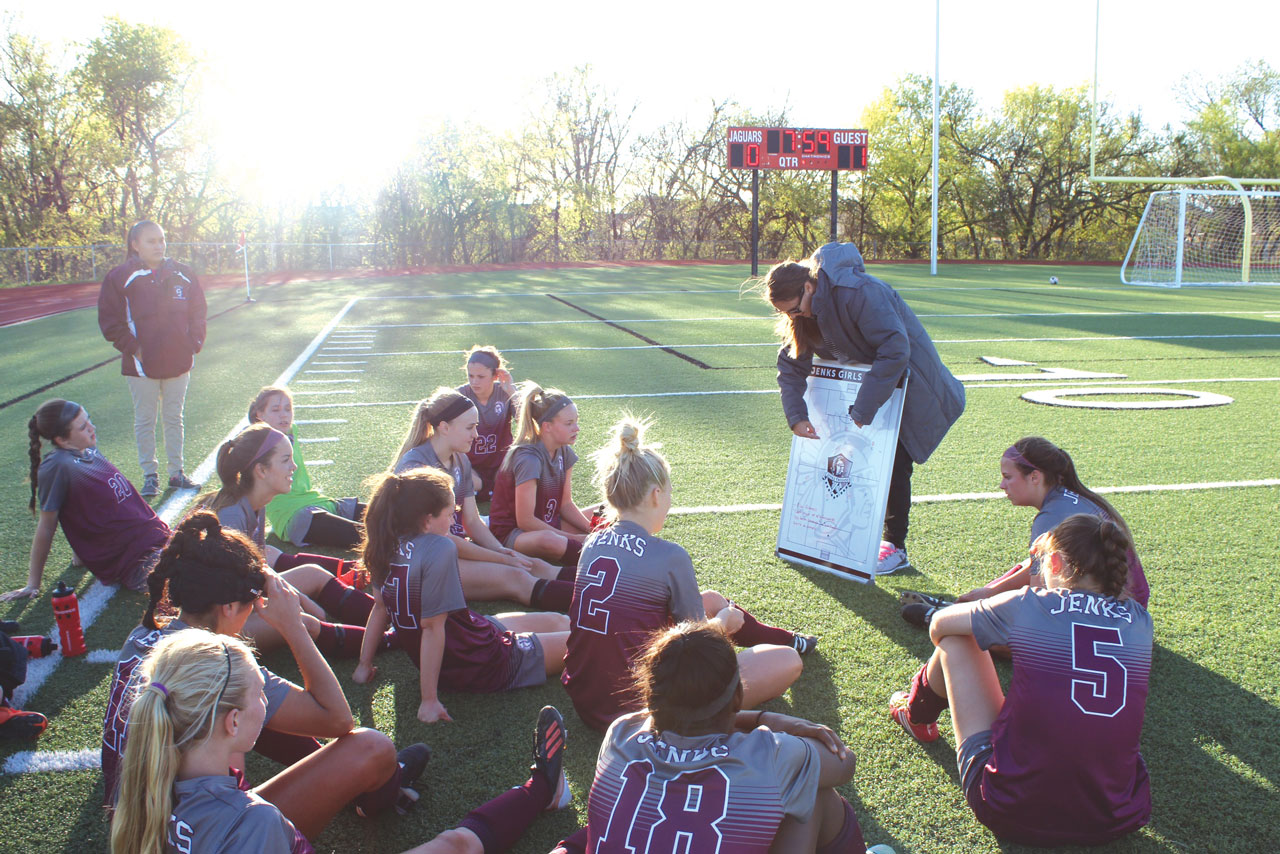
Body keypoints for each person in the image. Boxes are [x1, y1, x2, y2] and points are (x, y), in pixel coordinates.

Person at [102, 514, 429, 823]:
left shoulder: (143, 634)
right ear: (229, 607)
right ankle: (377, 788)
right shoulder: (220, 664)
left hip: (133, 827)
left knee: (254, 708)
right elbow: (338, 720)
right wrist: (293, 626)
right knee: (371, 747)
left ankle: (360, 785)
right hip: (199, 838)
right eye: (253, 602)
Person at [887, 514, 1153, 846]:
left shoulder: (1029, 604)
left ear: (1055, 562)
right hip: (1117, 815)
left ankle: (916, 715)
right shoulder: (1141, 621)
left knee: (958, 640)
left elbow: (939, 625)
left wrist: (997, 626)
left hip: (1010, 809)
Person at [563, 416, 814, 733]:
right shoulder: (670, 556)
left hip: (585, 702)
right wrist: (724, 623)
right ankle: (790, 644)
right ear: (655, 494)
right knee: (786, 661)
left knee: (708, 600)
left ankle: (788, 637)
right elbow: (696, 649)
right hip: (644, 713)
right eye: (668, 492)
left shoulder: (592, 543)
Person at [565, 621, 892, 854]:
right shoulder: (770, 757)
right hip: (763, 752)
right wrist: (771, 719)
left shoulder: (621, 733)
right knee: (813, 791)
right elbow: (843, 763)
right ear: (738, 697)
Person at [108, 628, 432, 854]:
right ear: (232, 721)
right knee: (456, 844)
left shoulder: (144, 781)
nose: (266, 701)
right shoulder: (255, 822)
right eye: (260, 693)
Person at [764, 243, 965, 574]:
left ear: (809, 286)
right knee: (847, 460)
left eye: (795, 310)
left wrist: (862, 411)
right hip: (864, 385)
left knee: (894, 460)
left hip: (908, 382)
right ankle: (838, 532)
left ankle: (895, 545)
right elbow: (790, 366)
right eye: (786, 313)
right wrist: (796, 417)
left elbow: (895, 349)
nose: (793, 318)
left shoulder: (860, 292)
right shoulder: (803, 312)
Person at [353, 467, 570, 724]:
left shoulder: (387, 542)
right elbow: (433, 628)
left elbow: (379, 609)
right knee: (584, 641)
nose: (455, 521)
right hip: (476, 661)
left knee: (560, 620)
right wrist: (429, 701)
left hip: (469, 638)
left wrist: (363, 665)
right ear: (426, 520)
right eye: (450, 513)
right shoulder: (439, 548)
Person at [902, 437, 1151, 628]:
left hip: (1106, 622)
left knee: (1024, 626)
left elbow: (1037, 603)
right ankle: (967, 609)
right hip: (1126, 615)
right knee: (1031, 563)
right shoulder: (1068, 499)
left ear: (1035, 477)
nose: (1002, 485)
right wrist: (990, 593)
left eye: (1008, 477)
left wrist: (992, 606)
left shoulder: (1050, 518)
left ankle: (949, 620)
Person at [197, 423, 385, 657]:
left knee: (312, 573)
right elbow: (230, 598)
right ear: (261, 470)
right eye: (286, 459)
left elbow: (258, 569)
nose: (294, 467)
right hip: (215, 630)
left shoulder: (254, 502)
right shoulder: (231, 517)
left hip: (233, 608)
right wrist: (291, 603)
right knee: (302, 622)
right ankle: (389, 639)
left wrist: (298, 596)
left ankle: (387, 615)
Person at [394, 388, 574, 612]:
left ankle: (613, 589)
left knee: (533, 564)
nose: (477, 435)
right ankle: (598, 604)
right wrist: (501, 559)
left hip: (447, 550)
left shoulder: (460, 459)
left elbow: (472, 520)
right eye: (470, 427)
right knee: (515, 576)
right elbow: (443, 538)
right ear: (444, 427)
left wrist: (502, 551)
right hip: (420, 563)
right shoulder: (417, 467)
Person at [2, 399, 170, 601]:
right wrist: (32, 583)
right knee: (203, 576)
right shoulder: (59, 465)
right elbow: (47, 525)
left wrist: (80, 554)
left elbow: (88, 503)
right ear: (62, 441)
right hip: (135, 559)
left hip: (155, 538)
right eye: (83, 427)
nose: (92, 428)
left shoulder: (89, 450)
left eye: (88, 420)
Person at [98, 220, 206, 497]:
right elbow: (110, 322)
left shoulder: (183, 273)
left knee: (174, 417)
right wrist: (135, 349)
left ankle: (177, 473)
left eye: (161, 239)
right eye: (151, 241)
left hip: (178, 362)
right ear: (135, 245)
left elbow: (198, 312)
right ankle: (150, 475)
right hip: (141, 366)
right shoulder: (119, 277)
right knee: (145, 420)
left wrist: (193, 343)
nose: (159, 245)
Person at [488, 382, 593, 566]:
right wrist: (574, 538)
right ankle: (598, 555)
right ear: (547, 426)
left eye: (576, 421)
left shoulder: (564, 451)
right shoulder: (529, 459)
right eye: (569, 423)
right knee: (549, 541)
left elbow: (565, 504)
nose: (576, 428)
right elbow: (525, 521)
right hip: (513, 534)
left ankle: (598, 544)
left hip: (548, 523)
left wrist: (591, 530)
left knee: (606, 510)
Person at [249, 386, 365, 550]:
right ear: (259, 415)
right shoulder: (257, 446)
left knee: (384, 510)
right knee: (366, 535)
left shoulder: (290, 431)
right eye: (275, 410)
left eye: (288, 409)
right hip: (296, 516)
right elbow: (245, 490)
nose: (284, 415)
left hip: (319, 501)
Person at [456, 345, 517, 502]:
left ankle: (491, 489)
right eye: (470, 376)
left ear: (495, 375)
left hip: (501, 465)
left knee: (526, 468)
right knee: (451, 478)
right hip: (470, 466)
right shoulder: (459, 396)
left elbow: (527, 423)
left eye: (481, 377)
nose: (474, 382)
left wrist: (513, 392)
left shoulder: (505, 393)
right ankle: (489, 490)